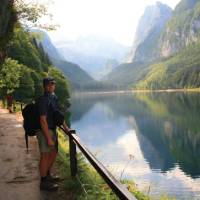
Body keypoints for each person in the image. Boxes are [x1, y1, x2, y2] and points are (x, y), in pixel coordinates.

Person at [37, 77, 70, 191]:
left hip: (53, 129)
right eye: (49, 85)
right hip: (44, 131)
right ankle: (43, 182)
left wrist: (66, 128)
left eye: (53, 84)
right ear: (44, 86)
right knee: (45, 155)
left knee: (54, 153)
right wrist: (48, 138)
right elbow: (42, 120)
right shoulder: (43, 100)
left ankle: (47, 175)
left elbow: (58, 115)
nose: (51, 86)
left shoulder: (54, 97)